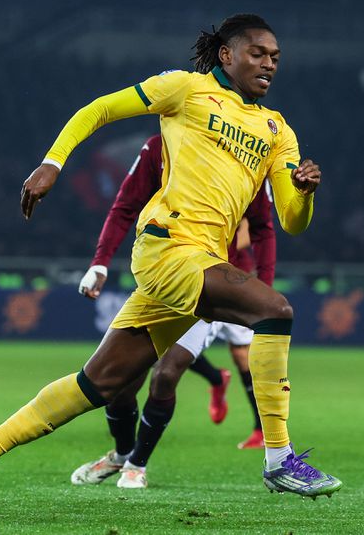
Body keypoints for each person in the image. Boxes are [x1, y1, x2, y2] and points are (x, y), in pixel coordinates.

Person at [0, 13, 341, 514]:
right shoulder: (184, 90)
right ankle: (278, 458)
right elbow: (99, 109)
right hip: (167, 246)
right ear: (226, 55)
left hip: (200, 261)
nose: (269, 63)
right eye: (257, 52)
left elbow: (292, 221)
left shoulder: (278, 131)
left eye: (275, 57)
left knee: (98, 383)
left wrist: (303, 193)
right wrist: (53, 162)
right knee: (274, 310)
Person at [70, 135, 276, 490]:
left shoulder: (246, 152)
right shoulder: (158, 148)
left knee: (167, 373)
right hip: (163, 276)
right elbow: (124, 206)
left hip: (215, 284)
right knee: (120, 382)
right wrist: (100, 263)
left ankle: (138, 463)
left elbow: (262, 227)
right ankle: (121, 454)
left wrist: (266, 288)